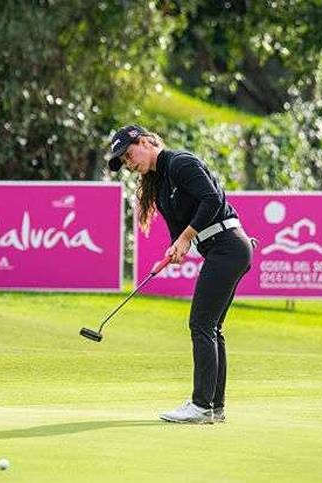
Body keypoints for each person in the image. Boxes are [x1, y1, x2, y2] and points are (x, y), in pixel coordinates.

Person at [108, 124, 253, 424]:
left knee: (201, 323)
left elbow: (212, 199)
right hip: (222, 250)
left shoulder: (180, 162)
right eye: (123, 161)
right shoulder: (161, 188)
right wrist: (174, 252)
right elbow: (180, 237)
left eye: (129, 153)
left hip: (229, 245)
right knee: (211, 328)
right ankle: (215, 406)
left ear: (146, 142)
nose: (129, 163)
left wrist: (186, 238)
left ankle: (200, 406)